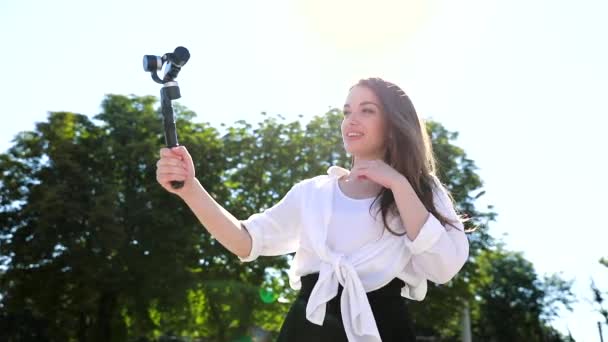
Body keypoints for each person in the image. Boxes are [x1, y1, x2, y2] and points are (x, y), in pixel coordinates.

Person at [156, 77, 470, 342]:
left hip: (383, 329)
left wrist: (399, 185)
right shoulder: (313, 192)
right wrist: (191, 188)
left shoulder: (420, 190)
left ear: (393, 125)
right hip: (307, 328)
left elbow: (443, 267)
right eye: (347, 112)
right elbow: (245, 240)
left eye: (367, 110)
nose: (351, 120)